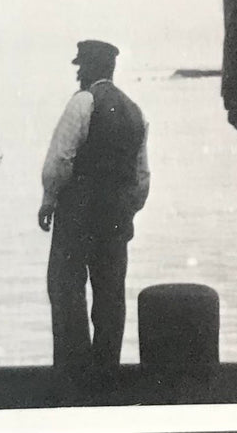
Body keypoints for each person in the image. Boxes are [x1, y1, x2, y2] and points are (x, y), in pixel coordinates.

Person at [39, 40, 151, 384]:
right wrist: (127, 209)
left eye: (81, 66)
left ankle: (73, 372)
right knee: (110, 292)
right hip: (115, 218)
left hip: (78, 214)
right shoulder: (135, 111)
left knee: (66, 287)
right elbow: (141, 177)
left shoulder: (83, 102)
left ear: (91, 69)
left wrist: (49, 199)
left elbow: (60, 160)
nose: (77, 72)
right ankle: (106, 372)